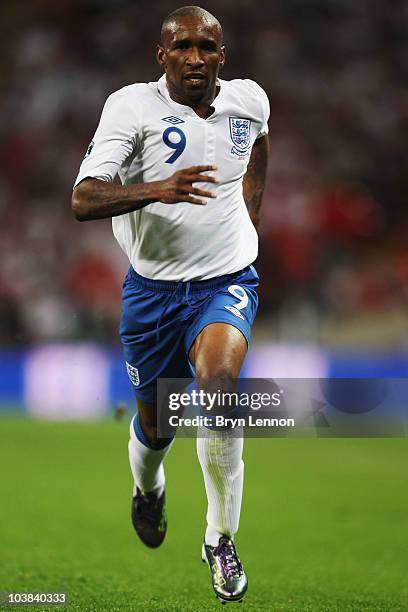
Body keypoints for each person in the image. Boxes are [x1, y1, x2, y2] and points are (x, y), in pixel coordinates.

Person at [72, 5, 269, 604]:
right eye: (180, 46)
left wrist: (248, 219)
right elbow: (83, 199)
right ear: (162, 56)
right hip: (152, 293)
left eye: (206, 48)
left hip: (225, 281)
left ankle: (219, 537)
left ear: (221, 57)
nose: (193, 58)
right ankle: (148, 487)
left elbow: (258, 147)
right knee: (159, 427)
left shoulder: (249, 101)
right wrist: (159, 188)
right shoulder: (131, 108)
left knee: (220, 384)